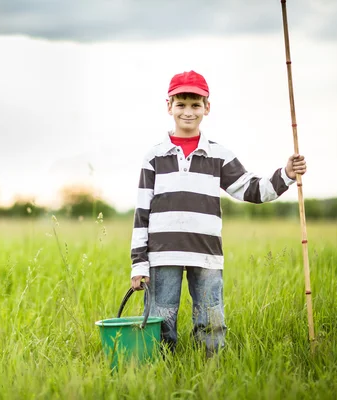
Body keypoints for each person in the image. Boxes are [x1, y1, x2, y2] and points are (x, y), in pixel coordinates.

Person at [129, 70, 307, 357]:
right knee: (161, 322)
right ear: (169, 107)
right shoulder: (154, 156)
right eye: (181, 104)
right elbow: (142, 212)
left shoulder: (218, 155)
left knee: (211, 322)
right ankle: (159, 372)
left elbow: (253, 190)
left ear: (207, 108)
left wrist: (285, 174)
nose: (188, 111)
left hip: (206, 253)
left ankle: (210, 372)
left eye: (196, 104)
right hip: (162, 254)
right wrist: (139, 263)